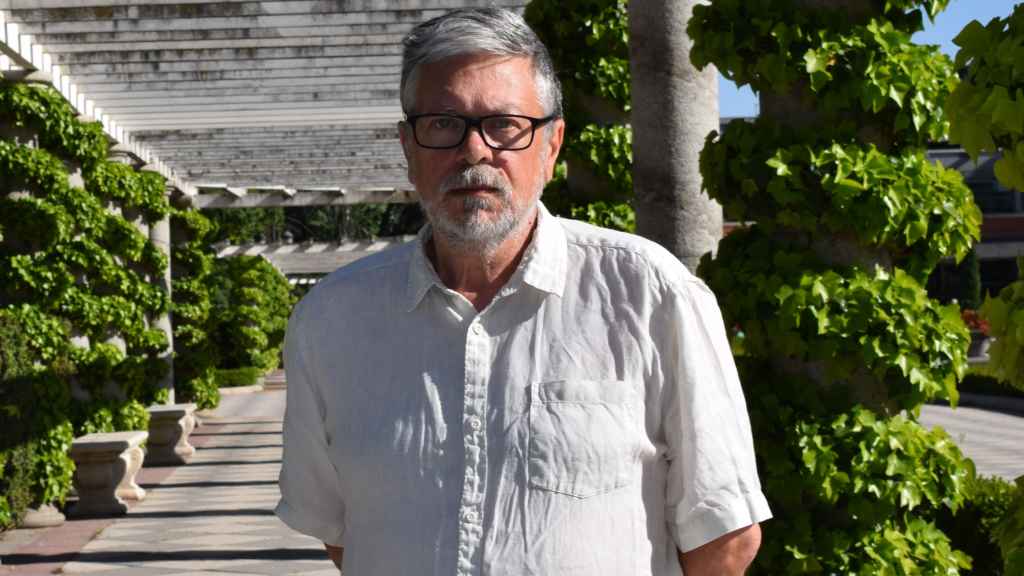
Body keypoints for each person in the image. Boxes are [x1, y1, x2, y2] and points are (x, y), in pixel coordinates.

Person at [276, 7, 771, 575]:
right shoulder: (332, 321)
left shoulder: (650, 296)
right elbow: (342, 534)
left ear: (552, 145)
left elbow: (724, 537)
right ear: (409, 149)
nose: (475, 151)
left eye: (504, 124)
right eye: (442, 123)